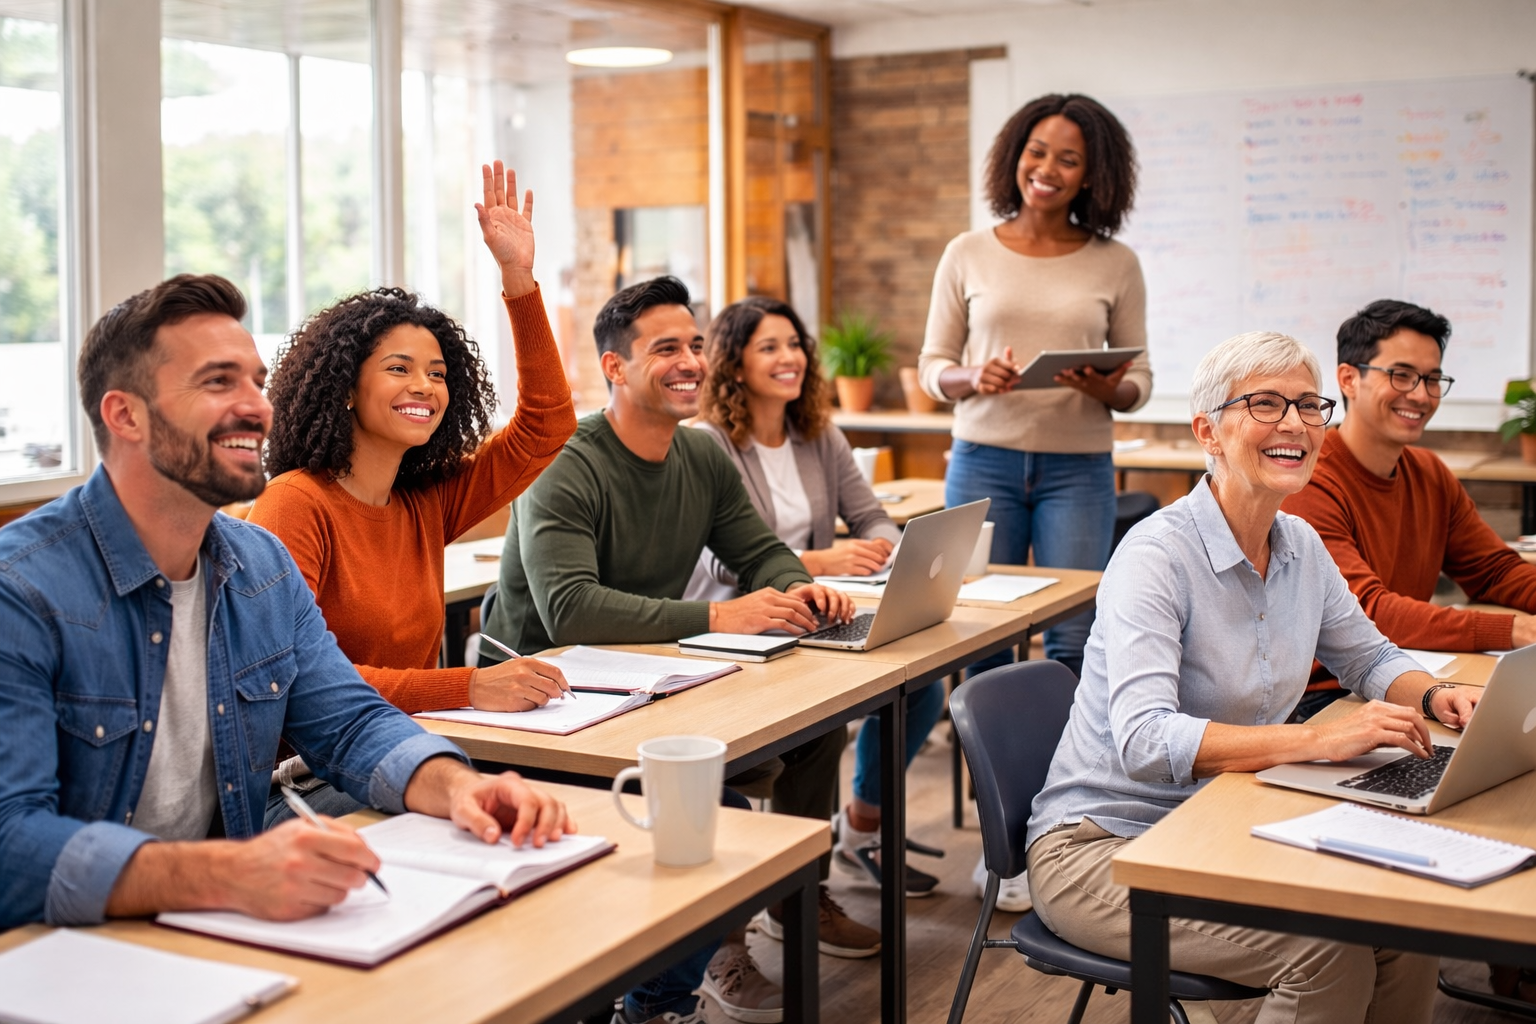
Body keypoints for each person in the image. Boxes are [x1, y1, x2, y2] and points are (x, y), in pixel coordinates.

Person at [0, 273, 574, 934]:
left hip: (217, 927)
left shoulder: (258, 566)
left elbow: (350, 722)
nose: (256, 406)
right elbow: (11, 842)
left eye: (255, 380)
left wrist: (460, 788)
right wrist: (226, 873)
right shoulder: (23, 590)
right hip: (67, 951)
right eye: (219, 382)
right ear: (125, 415)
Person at [1025, 330, 1479, 1024]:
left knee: (1405, 923)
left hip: (1226, 821)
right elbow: (1146, 741)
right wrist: (1315, 743)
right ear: (1208, 430)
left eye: (1308, 405)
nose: (1295, 424)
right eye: (1265, 404)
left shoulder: (1297, 541)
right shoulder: (1156, 556)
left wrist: (1440, 694)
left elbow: (1369, 656)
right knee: (1327, 954)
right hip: (1104, 849)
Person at [482, 276, 864, 1024]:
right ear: (615, 368)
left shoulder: (701, 455)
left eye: (695, 344)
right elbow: (570, 609)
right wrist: (723, 622)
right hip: (550, 699)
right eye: (666, 349)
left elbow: (758, 552)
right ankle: (660, 997)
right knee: (709, 809)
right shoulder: (563, 460)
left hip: (655, 679)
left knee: (819, 726)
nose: (689, 360)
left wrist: (799, 590)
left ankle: (782, 901)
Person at [249, 162, 577, 823]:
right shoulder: (295, 503)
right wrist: (468, 686)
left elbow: (547, 425)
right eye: (398, 369)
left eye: (436, 372)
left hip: (398, 753)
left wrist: (519, 281)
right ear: (344, 387)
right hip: (301, 785)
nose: (424, 386)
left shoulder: (421, 498)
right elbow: (299, 682)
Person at [917, 91, 1152, 910]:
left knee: (1075, 646)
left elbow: (1141, 383)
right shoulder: (968, 251)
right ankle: (998, 844)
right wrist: (966, 378)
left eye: (1068, 159)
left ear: (1094, 176)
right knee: (977, 640)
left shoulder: (1113, 263)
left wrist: (1106, 383)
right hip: (980, 457)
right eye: (1037, 151)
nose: (1047, 170)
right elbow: (931, 365)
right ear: (1014, 154)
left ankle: (1063, 827)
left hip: (1077, 467)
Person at [689, 295, 943, 899]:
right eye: (769, 347)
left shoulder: (819, 433)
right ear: (733, 363)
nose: (789, 358)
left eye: (795, 344)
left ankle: (860, 827)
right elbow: (718, 554)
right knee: (821, 721)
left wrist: (882, 547)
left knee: (920, 687)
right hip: (741, 621)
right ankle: (790, 890)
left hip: (818, 612)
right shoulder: (709, 442)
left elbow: (873, 516)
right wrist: (818, 560)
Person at [1281, 299, 1536, 721]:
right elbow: (1368, 612)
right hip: (1323, 697)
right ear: (1349, 378)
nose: (1420, 394)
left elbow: (1494, 570)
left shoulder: (1428, 472)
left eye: (1433, 379)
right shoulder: (1309, 478)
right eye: (1401, 375)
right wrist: (1515, 629)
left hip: (1402, 673)